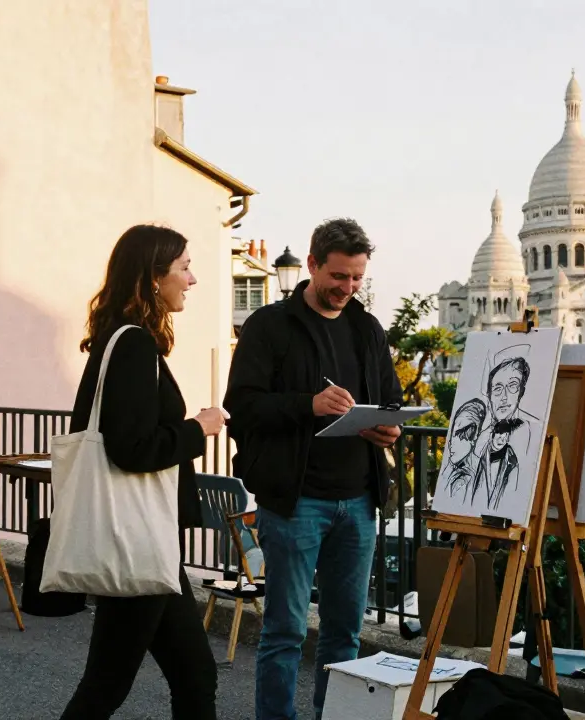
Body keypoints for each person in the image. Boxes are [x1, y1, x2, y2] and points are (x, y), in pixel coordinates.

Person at [224, 217, 405, 719]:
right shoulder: (268, 325)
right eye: (339, 277)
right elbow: (242, 406)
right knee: (284, 632)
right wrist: (309, 404)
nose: (347, 288)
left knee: (345, 634)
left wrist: (389, 426)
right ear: (311, 265)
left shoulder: (367, 328)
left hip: (360, 501)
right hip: (295, 500)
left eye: (356, 279)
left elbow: (390, 399)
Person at [58, 224, 227, 720]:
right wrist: (199, 428)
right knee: (109, 684)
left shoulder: (123, 339)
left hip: (144, 539)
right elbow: (131, 448)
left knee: (192, 674)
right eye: (184, 268)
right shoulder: (132, 345)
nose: (192, 280)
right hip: (139, 538)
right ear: (154, 278)